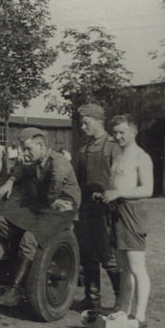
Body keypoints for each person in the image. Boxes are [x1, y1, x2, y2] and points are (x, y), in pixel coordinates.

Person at [0, 128, 81, 307]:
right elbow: (20, 170)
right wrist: (10, 182)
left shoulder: (58, 162)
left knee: (30, 238)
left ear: (41, 146)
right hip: (44, 204)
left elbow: (54, 190)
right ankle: (18, 261)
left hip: (62, 205)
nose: (25, 153)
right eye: (23, 149)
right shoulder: (36, 159)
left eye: (28, 149)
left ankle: (15, 289)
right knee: (2, 220)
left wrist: (37, 212)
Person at [100, 114, 154, 327]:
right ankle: (124, 310)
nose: (118, 136)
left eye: (122, 132)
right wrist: (108, 194)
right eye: (115, 133)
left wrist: (118, 193)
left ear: (133, 132)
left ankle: (140, 316)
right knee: (123, 266)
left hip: (132, 212)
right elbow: (119, 185)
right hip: (117, 211)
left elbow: (147, 189)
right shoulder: (119, 155)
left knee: (137, 266)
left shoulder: (142, 157)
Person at [74, 103, 123, 311]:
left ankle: (122, 301)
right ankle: (92, 299)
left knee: (108, 257)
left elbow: (121, 182)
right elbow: (77, 182)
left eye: (85, 123)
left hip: (107, 212)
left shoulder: (112, 147)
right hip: (85, 211)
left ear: (97, 121)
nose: (82, 128)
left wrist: (109, 198)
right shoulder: (83, 149)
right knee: (88, 255)